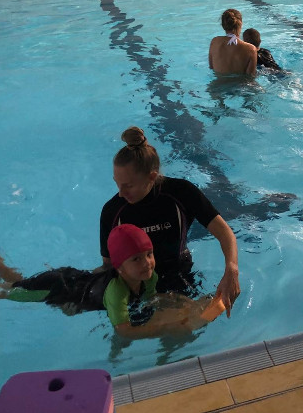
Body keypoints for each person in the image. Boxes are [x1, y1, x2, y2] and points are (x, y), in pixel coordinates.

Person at [0, 225, 225, 339]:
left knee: (21, 284)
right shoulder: (116, 292)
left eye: (149, 255)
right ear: (119, 267)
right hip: (56, 288)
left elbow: (150, 299)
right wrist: (165, 327)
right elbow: (124, 332)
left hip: (71, 278)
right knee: (3, 293)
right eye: (137, 259)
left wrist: (177, 304)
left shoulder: (150, 276)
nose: (147, 263)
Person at [100, 126, 241, 316]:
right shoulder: (112, 211)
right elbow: (109, 266)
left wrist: (232, 269)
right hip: (136, 284)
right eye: (117, 184)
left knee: (188, 324)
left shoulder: (181, 193)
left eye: (128, 186)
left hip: (178, 273)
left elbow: (225, 233)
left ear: (152, 177)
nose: (120, 193)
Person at [208, 8, 258, 76]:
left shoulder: (214, 42)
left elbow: (211, 67)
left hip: (216, 82)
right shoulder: (251, 49)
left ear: (223, 25)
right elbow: (250, 76)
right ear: (241, 24)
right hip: (239, 83)